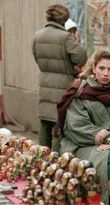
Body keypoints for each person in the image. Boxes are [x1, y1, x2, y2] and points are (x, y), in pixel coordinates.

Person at [59, 47, 110, 205]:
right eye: (102, 68)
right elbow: (78, 127)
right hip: (80, 145)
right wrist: (108, 139)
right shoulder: (80, 91)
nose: (106, 73)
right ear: (93, 68)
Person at [32, 4, 87, 150]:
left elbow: (37, 58)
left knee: (45, 123)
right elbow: (81, 57)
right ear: (64, 19)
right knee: (59, 124)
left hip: (44, 84)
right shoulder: (66, 37)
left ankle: (41, 161)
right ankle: (57, 162)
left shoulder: (38, 35)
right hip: (63, 86)